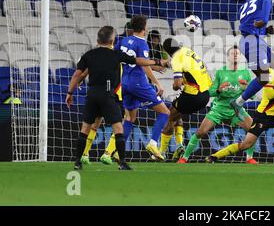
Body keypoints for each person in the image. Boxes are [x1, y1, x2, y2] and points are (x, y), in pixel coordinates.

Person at [67, 26, 160, 170]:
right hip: (107, 94)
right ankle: (122, 162)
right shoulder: (116, 54)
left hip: (92, 94)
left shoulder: (89, 55)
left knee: (85, 128)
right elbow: (139, 61)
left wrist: (70, 93)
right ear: (112, 40)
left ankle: (77, 162)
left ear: (97, 40)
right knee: (118, 127)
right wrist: (156, 62)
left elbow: (77, 75)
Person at [207, 49, 274, 163]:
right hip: (264, 115)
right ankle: (215, 156)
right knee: (246, 144)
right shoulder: (268, 73)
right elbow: (269, 95)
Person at [178, 46, 256, 164]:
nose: (235, 55)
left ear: (240, 57)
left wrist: (246, 89)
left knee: (253, 130)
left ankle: (249, 158)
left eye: (237, 53)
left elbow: (252, 96)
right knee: (201, 132)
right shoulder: (220, 72)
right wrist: (219, 90)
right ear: (228, 57)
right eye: (232, 53)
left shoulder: (245, 73)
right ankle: (184, 158)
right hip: (219, 108)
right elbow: (210, 92)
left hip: (236, 109)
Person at [120, 15, 171, 161]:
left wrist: (154, 67)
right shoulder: (142, 43)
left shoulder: (124, 41)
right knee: (165, 112)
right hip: (139, 84)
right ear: (144, 28)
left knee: (130, 118)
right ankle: (153, 143)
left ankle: (117, 152)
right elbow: (143, 64)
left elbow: (120, 57)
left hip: (125, 83)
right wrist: (157, 82)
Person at [159, 38, 212, 160]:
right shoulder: (187, 51)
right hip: (205, 95)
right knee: (177, 112)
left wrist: (175, 85)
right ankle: (179, 146)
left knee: (170, 117)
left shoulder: (177, 60)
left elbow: (177, 85)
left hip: (193, 95)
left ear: (166, 51)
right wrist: (165, 63)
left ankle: (161, 152)